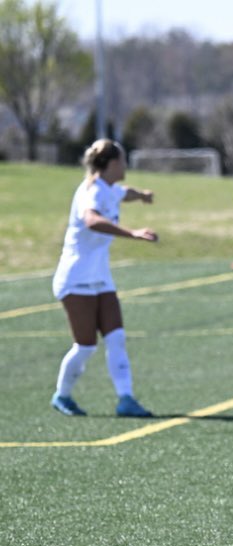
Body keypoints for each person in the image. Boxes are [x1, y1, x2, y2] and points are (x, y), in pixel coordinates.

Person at [50, 139, 158, 418]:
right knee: (86, 346)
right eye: (122, 160)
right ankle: (62, 395)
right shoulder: (91, 191)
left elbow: (124, 193)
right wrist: (132, 233)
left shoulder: (109, 188)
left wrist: (142, 195)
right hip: (76, 277)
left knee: (117, 337)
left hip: (100, 276)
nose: (125, 165)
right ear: (111, 164)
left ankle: (126, 399)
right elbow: (92, 220)